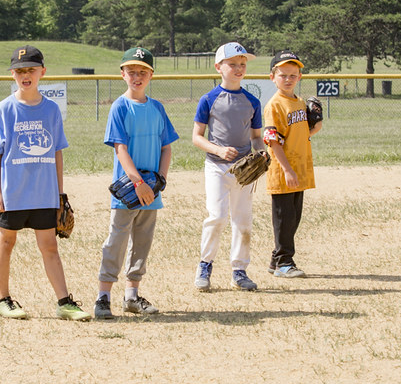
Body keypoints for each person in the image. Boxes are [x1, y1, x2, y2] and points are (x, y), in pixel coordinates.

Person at [0, 45, 90, 321]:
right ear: (13, 75)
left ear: (42, 72)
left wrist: (60, 193)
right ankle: (2, 299)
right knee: (6, 241)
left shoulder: (51, 110)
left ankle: (64, 302)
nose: (24, 75)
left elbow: (57, 152)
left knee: (49, 246)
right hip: (13, 192)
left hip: (43, 193)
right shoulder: (5, 109)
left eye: (30, 69)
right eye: (19, 71)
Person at [94, 47, 179, 319]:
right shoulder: (120, 106)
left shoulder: (157, 108)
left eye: (143, 71)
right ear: (122, 74)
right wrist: (139, 182)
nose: (137, 76)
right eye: (131, 71)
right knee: (116, 242)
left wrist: (159, 182)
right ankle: (103, 297)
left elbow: (166, 147)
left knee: (142, 243)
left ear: (151, 75)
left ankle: (131, 296)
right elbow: (120, 148)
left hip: (150, 191)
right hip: (129, 191)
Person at [191, 41, 264, 292]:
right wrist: (218, 150)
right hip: (216, 167)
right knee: (217, 216)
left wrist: (260, 152)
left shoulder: (252, 101)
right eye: (232, 64)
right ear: (218, 67)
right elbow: (196, 137)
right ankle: (205, 264)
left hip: (244, 170)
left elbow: (256, 136)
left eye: (242, 64)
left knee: (243, 220)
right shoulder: (209, 99)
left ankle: (239, 270)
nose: (238, 68)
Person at [262, 50, 322, 278]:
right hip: (283, 171)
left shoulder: (297, 102)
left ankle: (276, 259)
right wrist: (287, 170)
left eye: (293, 75)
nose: (288, 79)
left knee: (294, 218)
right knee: (284, 218)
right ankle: (285, 263)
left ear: (299, 77)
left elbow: (300, 133)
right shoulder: (275, 105)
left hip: (299, 169)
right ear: (272, 77)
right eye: (283, 74)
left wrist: (316, 126)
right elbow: (273, 141)